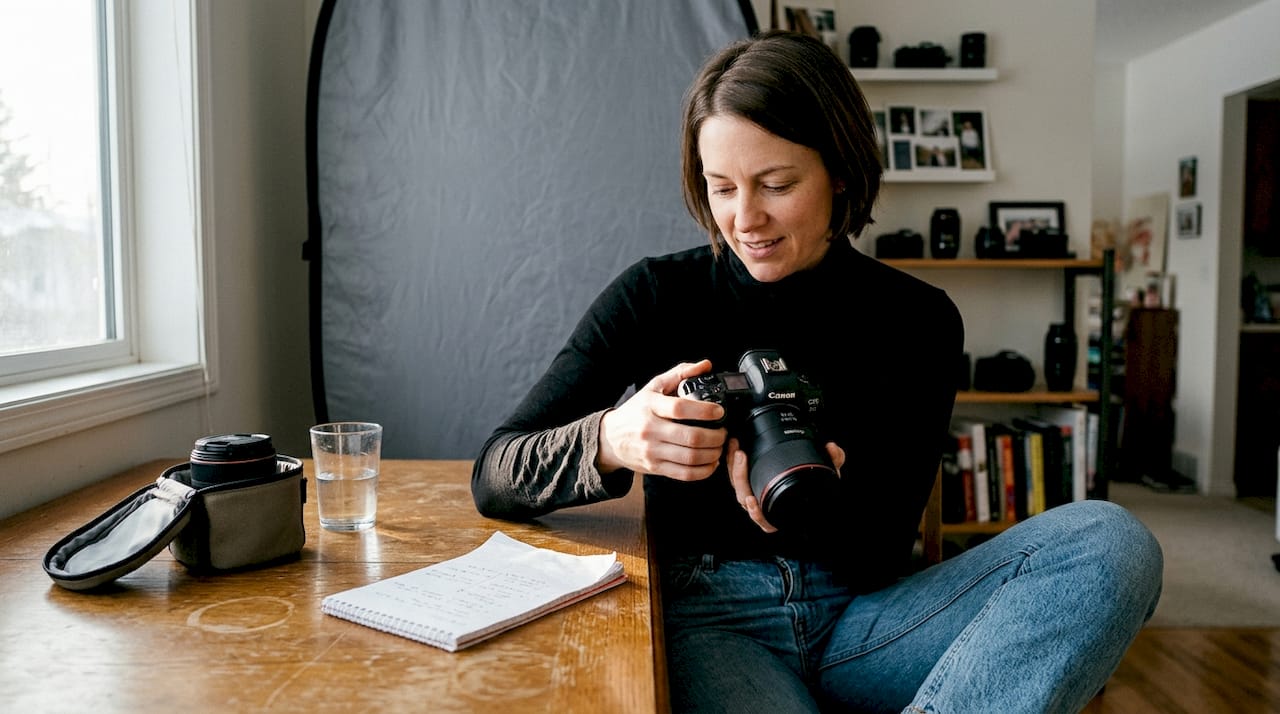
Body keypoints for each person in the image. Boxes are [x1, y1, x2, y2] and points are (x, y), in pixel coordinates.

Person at [471, 30, 1162, 713]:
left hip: (868, 616)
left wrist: (814, 484)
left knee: (1110, 543)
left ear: (837, 168)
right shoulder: (656, 296)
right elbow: (496, 472)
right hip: (714, 621)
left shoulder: (917, 320)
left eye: (776, 184)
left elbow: (879, 550)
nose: (745, 219)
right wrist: (614, 439)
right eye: (721, 188)